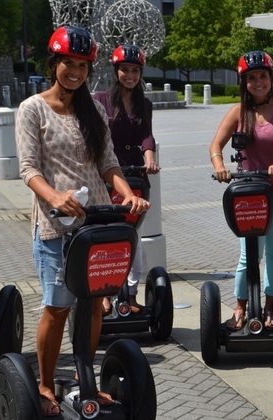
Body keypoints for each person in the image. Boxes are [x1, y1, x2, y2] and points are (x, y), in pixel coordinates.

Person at [16, 25, 149, 416]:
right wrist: (55, 196)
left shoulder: (93, 110)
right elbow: (27, 168)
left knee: (92, 306)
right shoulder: (32, 108)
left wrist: (126, 193)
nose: (75, 71)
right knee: (57, 306)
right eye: (68, 64)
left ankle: (86, 380)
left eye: (82, 65)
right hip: (56, 226)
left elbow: (108, 161)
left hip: (95, 225)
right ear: (54, 63)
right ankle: (43, 383)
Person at [209, 51, 273, 331]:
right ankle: (240, 309)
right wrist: (219, 166)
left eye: (262, 76)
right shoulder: (239, 111)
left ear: (271, 78)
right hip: (249, 193)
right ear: (244, 82)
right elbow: (216, 145)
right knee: (249, 254)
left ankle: (268, 309)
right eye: (251, 78)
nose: (258, 82)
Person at [93, 44, 159, 316]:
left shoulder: (145, 103)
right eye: (124, 70)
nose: (129, 75)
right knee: (108, 237)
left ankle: (130, 294)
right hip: (108, 175)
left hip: (135, 176)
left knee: (134, 237)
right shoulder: (101, 100)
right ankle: (106, 294)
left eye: (135, 70)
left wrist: (150, 157)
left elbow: (146, 135)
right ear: (116, 71)